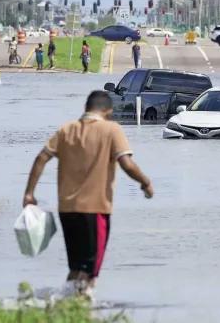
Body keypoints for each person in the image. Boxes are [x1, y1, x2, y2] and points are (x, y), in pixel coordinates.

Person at [22, 90, 153, 303]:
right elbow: (127, 164)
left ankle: (63, 307)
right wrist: (145, 183)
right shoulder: (112, 130)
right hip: (96, 210)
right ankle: (82, 310)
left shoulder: (66, 130)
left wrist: (29, 194)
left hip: (67, 210)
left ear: (85, 108)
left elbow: (40, 158)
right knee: (90, 272)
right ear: (108, 113)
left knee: (75, 268)